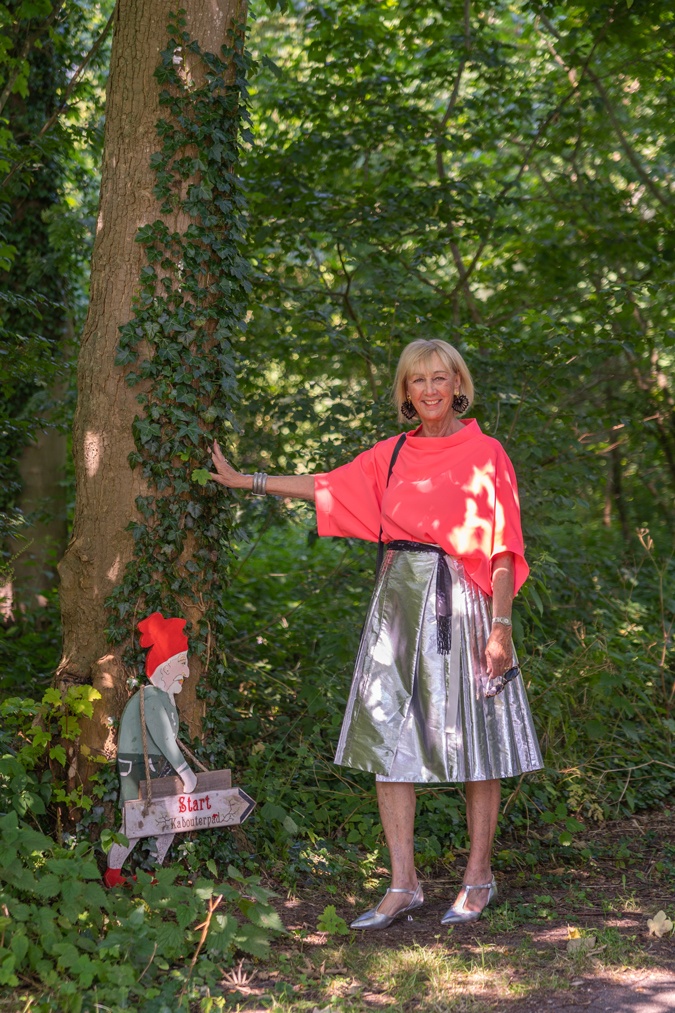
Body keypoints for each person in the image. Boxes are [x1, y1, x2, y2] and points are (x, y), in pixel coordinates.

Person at [210, 338, 543, 927]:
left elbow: (502, 547)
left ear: (458, 385)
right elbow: (325, 486)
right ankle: (403, 884)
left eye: (441, 378)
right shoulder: (390, 455)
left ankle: (478, 875)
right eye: (418, 381)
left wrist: (500, 624)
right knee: (388, 734)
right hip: (397, 601)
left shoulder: (486, 452)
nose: (431, 390)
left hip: (464, 604)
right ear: (405, 392)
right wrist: (248, 481)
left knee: (476, 737)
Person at [104, 612, 198, 887]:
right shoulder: (152, 698)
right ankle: (114, 874)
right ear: (165, 667)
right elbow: (166, 740)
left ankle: (153, 872)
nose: (187, 671)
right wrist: (187, 774)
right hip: (139, 764)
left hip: (155, 765)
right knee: (136, 821)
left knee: (168, 821)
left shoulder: (163, 698)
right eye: (182, 663)